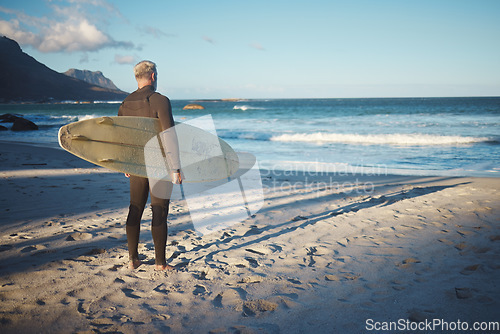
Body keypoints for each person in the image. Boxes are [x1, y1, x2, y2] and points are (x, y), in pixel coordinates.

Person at [118, 60, 182, 270]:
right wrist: (176, 167)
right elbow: (169, 135)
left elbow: (121, 136)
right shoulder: (160, 100)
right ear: (153, 76)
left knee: (135, 208)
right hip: (158, 163)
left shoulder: (125, 103)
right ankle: (160, 263)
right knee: (159, 210)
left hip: (136, 163)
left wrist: (125, 161)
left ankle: (133, 259)